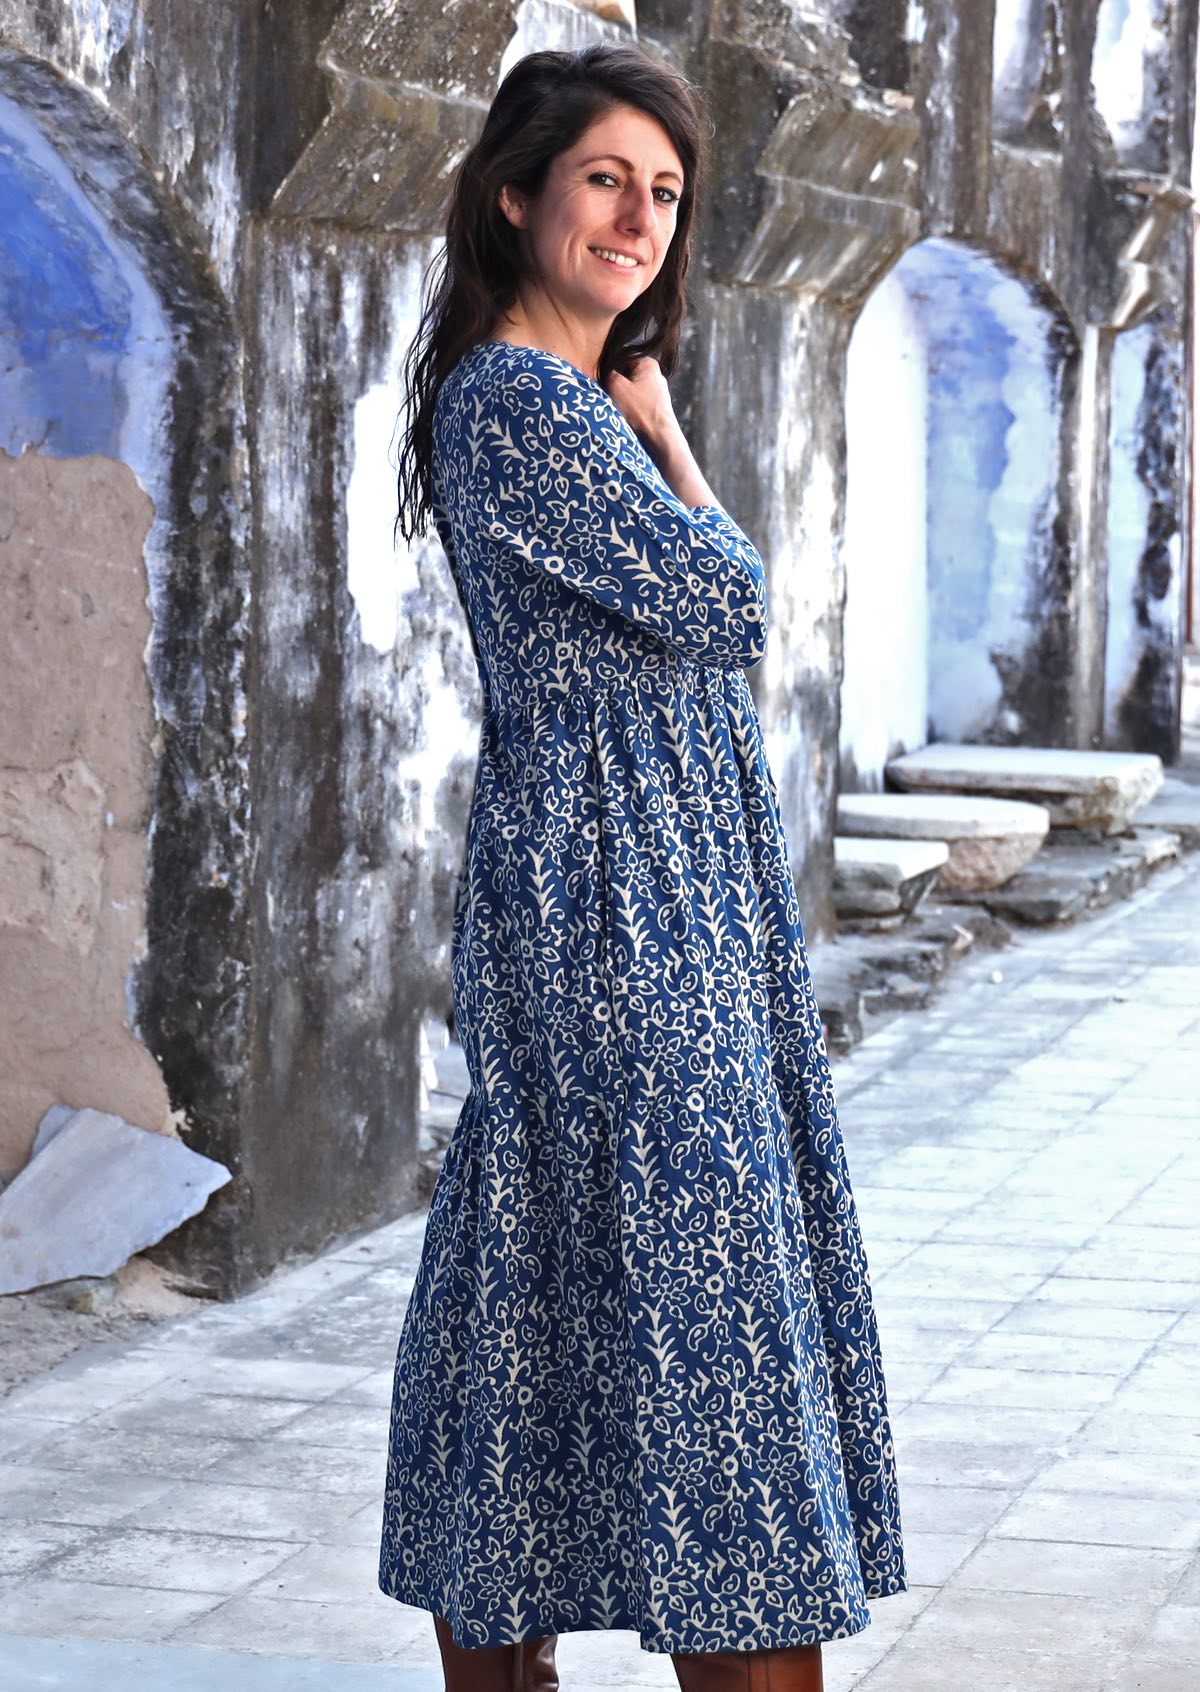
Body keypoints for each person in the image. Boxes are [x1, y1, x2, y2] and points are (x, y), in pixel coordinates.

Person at [378, 41, 907, 1692]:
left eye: (667, 192)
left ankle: (513, 1631)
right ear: (516, 191)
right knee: (687, 1267)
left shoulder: (554, 401)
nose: (640, 216)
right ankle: (596, 1630)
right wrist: (674, 437)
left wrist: (659, 437)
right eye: (606, 177)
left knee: (585, 1253)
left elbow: (707, 607)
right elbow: (734, 603)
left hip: (657, 883)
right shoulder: (524, 404)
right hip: (612, 901)